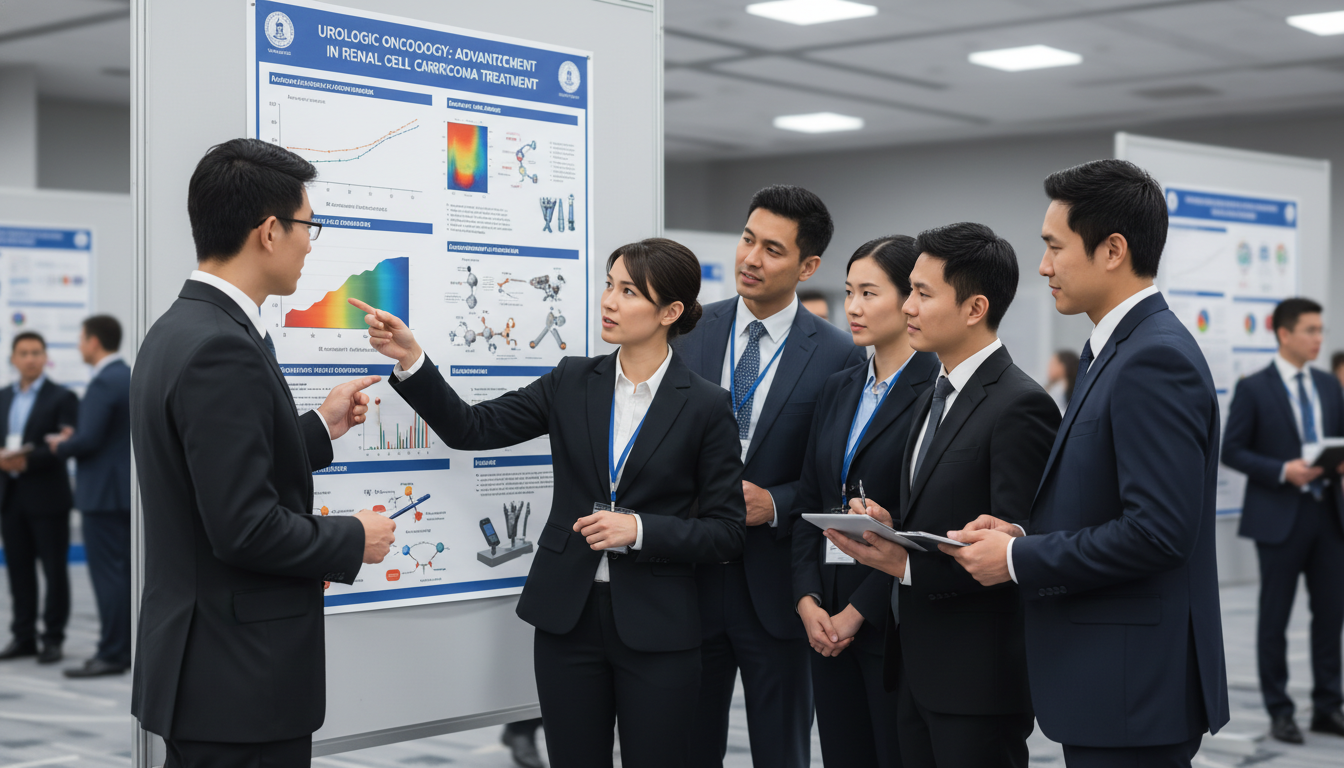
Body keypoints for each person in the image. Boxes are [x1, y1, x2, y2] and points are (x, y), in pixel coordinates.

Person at [353, 237, 747, 768]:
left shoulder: (705, 404)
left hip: (659, 627)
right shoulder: (573, 380)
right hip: (569, 618)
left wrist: (639, 530)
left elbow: (727, 531)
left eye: (629, 291)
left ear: (670, 312)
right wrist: (411, 360)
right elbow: (473, 428)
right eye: (609, 284)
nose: (609, 301)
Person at [945, 159, 1230, 767]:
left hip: (1133, 687)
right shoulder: (1117, 349)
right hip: (1114, 682)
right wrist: (1021, 535)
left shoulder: (1154, 359)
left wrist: (1017, 560)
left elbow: (1158, 533)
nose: (1043, 266)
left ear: (1113, 250)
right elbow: (1105, 500)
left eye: (1055, 247)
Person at [130, 139, 397, 768]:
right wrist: (353, 537)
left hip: (209, 668)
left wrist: (320, 428)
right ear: (270, 231)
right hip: (238, 678)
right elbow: (243, 528)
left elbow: (212, 472)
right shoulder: (222, 348)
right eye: (308, 227)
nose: (311, 244)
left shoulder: (182, 329)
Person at [827, 224, 1058, 767]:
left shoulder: (1020, 405)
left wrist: (904, 563)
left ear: (975, 308)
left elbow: (1017, 552)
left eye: (922, 293)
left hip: (977, 681)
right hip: (915, 667)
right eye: (909, 290)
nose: (907, 306)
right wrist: (890, 526)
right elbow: (938, 510)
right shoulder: (937, 392)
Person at [674, 185, 863, 768]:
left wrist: (776, 503)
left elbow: (839, 475)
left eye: (772, 249)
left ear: (808, 266)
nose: (751, 259)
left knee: (782, 751)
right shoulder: (688, 330)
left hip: (777, 587)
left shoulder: (840, 354)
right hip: (688, 578)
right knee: (686, 747)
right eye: (748, 240)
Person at [790, 235, 939, 767]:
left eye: (869, 293)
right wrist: (807, 600)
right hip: (824, 616)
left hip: (889, 619)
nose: (852, 307)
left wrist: (856, 614)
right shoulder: (840, 386)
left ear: (910, 298)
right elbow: (810, 499)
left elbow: (925, 521)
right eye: (849, 291)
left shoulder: (936, 391)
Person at [1222, 297, 1344, 743]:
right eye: (1310, 330)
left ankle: (1328, 707)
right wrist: (1281, 470)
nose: (1318, 338)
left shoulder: (1329, 385)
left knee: (1330, 616)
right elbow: (1232, 449)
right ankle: (1280, 711)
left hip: (1328, 514)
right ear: (1284, 333)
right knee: (1274, 619)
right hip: (1279, 516)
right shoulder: (1254, 388)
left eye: (1321, 330)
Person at [46, 315, 133, 678]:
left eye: (81, 339)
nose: (79, 345)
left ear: (94, 342)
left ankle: (112, 652)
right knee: (124, 575)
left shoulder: (102, 382)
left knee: (108, 577)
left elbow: (89, 440)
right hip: (124, 493)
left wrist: (61, 444)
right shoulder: (127, 375)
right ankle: (124, 647)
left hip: (102, 496)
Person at [0, 331, 78, 664]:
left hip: (47, 498)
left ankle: (53, 638)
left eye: (36, 352)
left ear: (46, 357)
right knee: (18, 570)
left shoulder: (63, 397)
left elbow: (66, 444)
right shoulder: (3, 397)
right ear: (13, 359)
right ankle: (24, 636)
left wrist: (26, 461)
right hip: (10, 497)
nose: (30, 358)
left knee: (54, 571)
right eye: (24, 353)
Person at [1045, 349, 1079, 415]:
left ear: (1063, 367)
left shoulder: (1059, 388)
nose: (1048, 368)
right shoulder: (1077, 387)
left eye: (1052, 364)